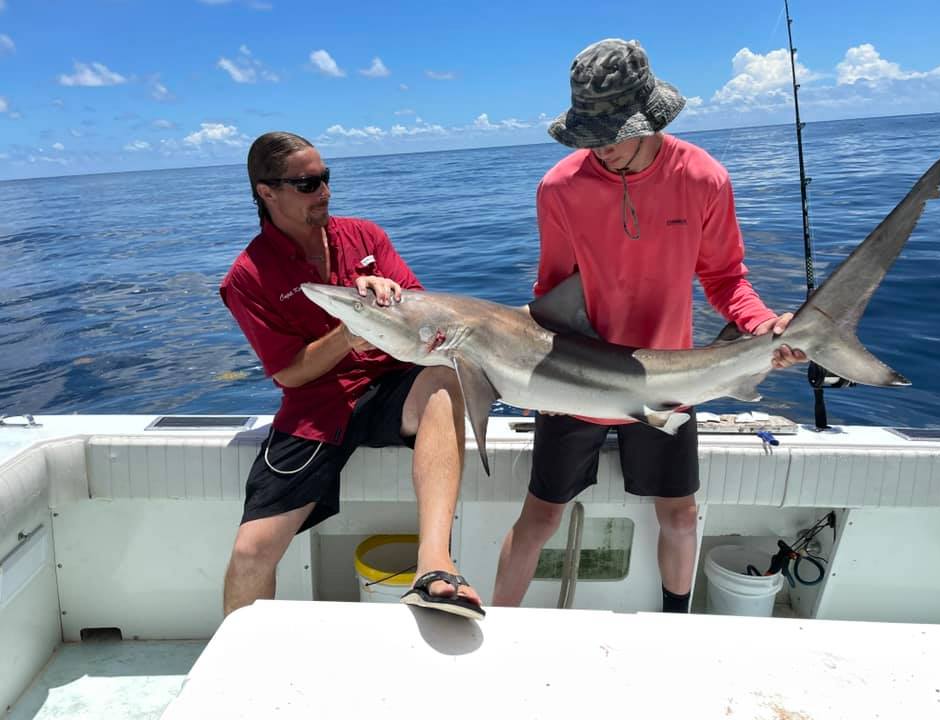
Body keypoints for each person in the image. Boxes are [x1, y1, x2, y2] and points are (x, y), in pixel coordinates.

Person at [492, 39, 806, 613]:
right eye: (589, 135)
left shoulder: (703, 177)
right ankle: (497, 626)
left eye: (611, 133)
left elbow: (725, 277)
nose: (600, 150)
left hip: (669, 378)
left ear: (649, 118)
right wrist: (542, 381)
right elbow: (551, 297)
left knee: (681, 513)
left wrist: (762, 326)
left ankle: (675, 622)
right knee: (540, 515)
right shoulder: (559, 187)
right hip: (577, 377)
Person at [220, 131, 483, 620]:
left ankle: (435, 565)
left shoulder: (365, 237)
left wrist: (394, 304)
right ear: (266, 192)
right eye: (306, 183)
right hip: (318, 408)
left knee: (446, 375)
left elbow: (430, 318)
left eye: (325, 178)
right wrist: (349, 332)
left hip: (392, 386)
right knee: (250, 552)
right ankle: (235, 659)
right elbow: (291, 374)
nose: (323, 191)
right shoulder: (248, 276)